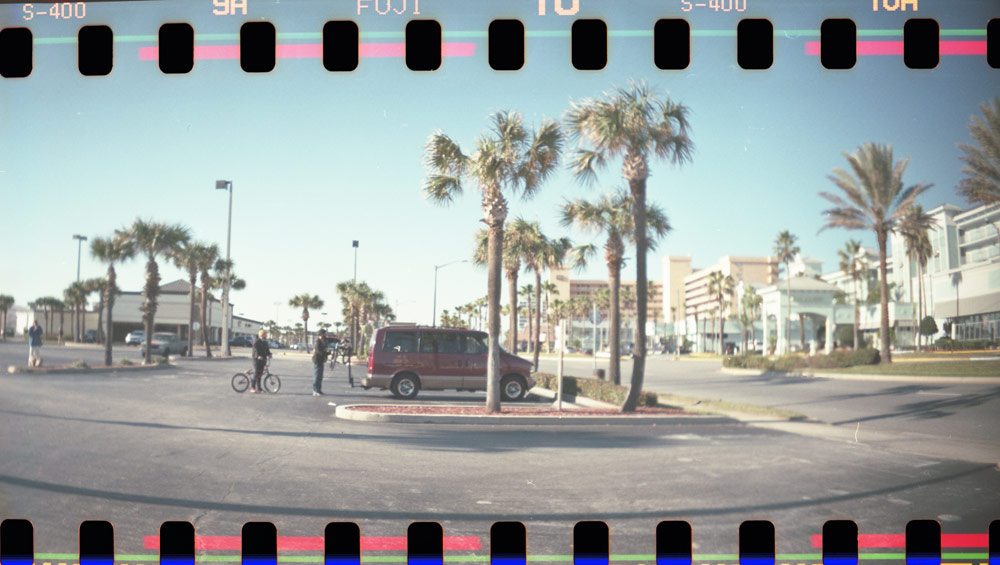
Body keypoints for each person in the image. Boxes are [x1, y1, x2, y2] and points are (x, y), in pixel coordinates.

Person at [251, 329, 272, 393]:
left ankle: (259, 388)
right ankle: (252, 387)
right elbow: (255, 350)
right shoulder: (256, 341)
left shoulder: (265, 342)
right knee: (256, 374)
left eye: (266, 334)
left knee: (260, 375)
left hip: (263, 360)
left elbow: (267, 351)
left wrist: (269, 354)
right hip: (256, 360)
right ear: (262, 335)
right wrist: (258, 356)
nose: (266, 336)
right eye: (265, 334)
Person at [311, 328, 330, 396]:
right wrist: (326, 353)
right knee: (317, 376)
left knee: (320, 376)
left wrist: (327, 353)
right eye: (324, 333)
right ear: (321, 334)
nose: (325, 335)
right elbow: (319, 351)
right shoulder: (318, 342)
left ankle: (319, 390)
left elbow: (324, 350)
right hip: (317, 360)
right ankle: (315, 390)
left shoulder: (323, 341)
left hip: (321, 360)